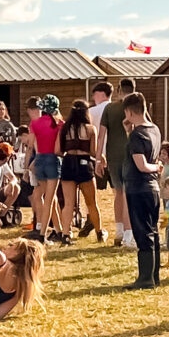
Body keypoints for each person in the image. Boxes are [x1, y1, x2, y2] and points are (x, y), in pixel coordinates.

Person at [119, 93, 165, 289]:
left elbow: (142, 165)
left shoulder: (137, 135)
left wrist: (156, 167)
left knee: (142, 232)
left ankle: (145, 278)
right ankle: (154, 275)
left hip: (138, 188)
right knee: (153, 230)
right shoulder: (154, 129)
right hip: (152, 188)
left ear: (129, 112)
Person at [61, 100, 105, 241]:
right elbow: (93, 151)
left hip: (68, 162)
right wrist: (102, 157)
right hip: (84, 164)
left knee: (69, 203)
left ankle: (65, 234)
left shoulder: (65, 128)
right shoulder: (90, 129)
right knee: (91, 202)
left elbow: (58, 150)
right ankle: (99, 232)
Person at [26, 94, 64, 242]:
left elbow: (30, 145)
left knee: (50, 197)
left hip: (39, 160)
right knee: (49, 199)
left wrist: (27, 166)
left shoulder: (35, 124)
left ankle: (58, 230)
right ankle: (42, 234)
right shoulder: (59, 124)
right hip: (52, 160)